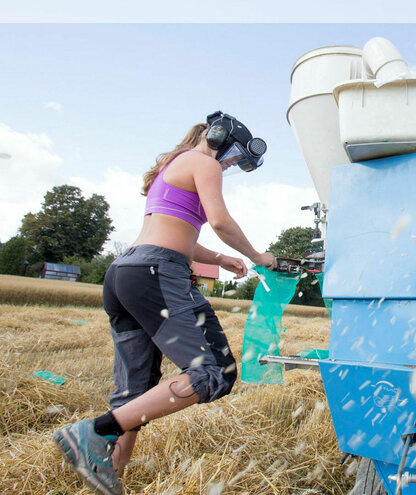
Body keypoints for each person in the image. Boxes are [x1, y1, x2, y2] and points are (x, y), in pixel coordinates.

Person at [53, 111, 277, 495]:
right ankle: (93, 432)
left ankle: (108, 477)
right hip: (158, 272)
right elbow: (220, 222)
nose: (230, 165)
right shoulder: (205, 163)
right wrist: (259, 257)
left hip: (126, 274)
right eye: (235, 157)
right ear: (220, 138)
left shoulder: (173, 167)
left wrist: (219, 260)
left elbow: (179, 231)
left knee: (134, 394)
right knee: (214, 373)